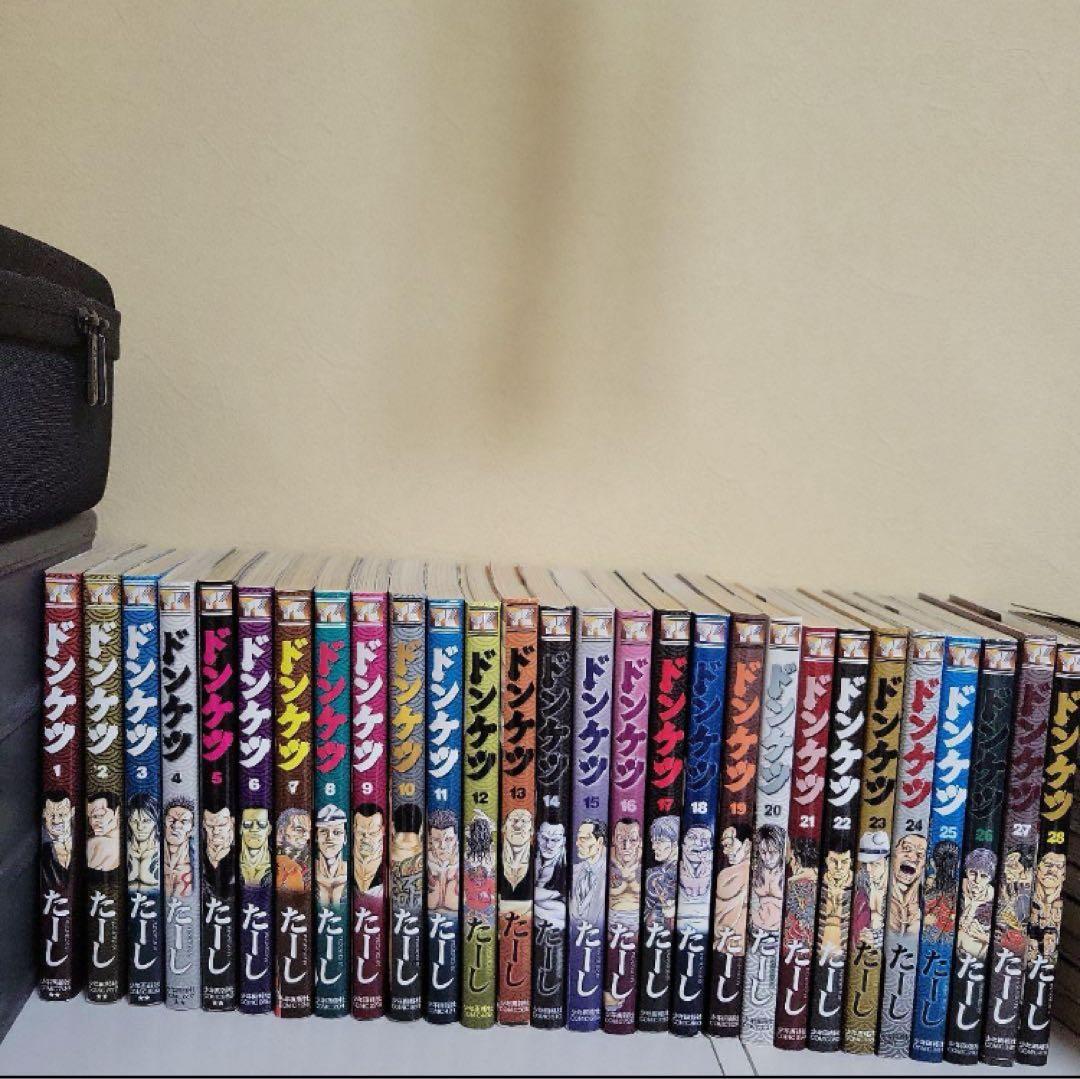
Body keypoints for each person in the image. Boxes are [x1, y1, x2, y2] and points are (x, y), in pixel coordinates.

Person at [570, 819, 607, 927]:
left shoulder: (610, 873)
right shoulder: (574, 870)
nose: (577, 843)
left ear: (599, 842)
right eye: (578, 838)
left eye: (584, 839)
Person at [40, 790, 75, 891]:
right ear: (44, 813)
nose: (56, 820)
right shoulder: (41, 845)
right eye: (51, 815)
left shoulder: (82, 840)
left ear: (72, 812)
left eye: (62, 814)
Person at [427, 808, 459, 913]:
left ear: (456, 839)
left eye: (448, 839)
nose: (443, 846)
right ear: (430, 840)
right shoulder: (425, 863)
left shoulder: (462, 863)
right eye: (436, 840)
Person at [315, 804, 348, 906]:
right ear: (316, 837)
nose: (330, 838)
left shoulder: (350, 870)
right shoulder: (308, 870)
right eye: (323, 831)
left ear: (345, 838)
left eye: (337, 832)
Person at [163, 797, 196, 897]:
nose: (176, 826)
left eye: (184, 821)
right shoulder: (154, 851)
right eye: (171, 820)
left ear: (191, 829)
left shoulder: (195, 856)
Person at [352, 803, 385, 895]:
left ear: (382, 831)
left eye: (373, 833)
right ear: (354, 829)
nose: (366, 839)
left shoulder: (385, 868)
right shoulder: (347, 866)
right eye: (360, 832)